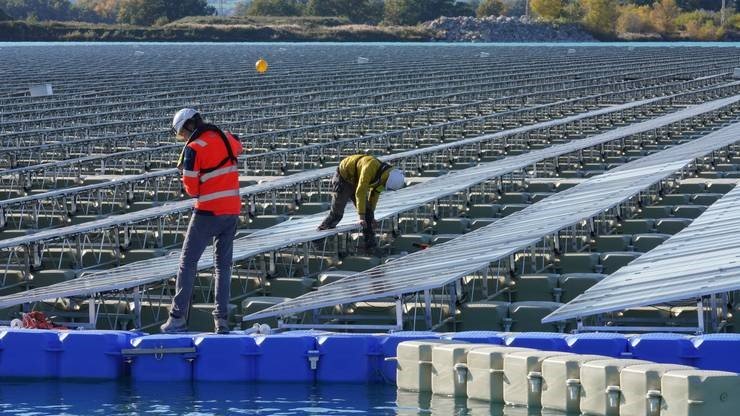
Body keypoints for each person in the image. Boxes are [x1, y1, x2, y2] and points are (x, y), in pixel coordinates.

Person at [161, 108, 243, 334]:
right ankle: (221, 321)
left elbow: (191, 189)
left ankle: (177, 317)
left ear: (188, 126)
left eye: (182, 134)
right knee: (223, 267)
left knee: (187, 264)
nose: (183, 138)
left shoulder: (193, 149)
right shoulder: (225, 137)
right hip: (232, 210)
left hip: (207, 212)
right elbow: (238, 145)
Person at [317, 154, 405, 250]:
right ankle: (318, 237)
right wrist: (361, 217)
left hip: (356, 180)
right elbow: (360, 192)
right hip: (343, 178)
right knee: (336, 214)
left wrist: (371, 216)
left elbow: (374, 194)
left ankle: (370, 245)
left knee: (368, 214)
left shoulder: (383, 178)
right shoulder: (370, 167)